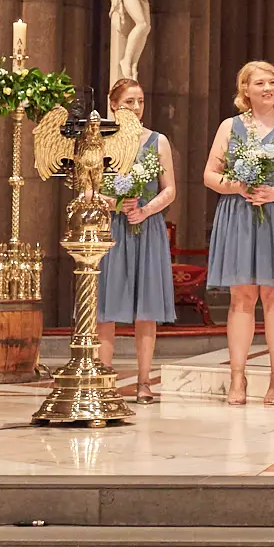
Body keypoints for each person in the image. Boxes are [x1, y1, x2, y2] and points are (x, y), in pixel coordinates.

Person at [202, 61, 274, 406]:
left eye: (271, 82)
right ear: (246, 90)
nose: (267, 88)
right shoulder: (230, 127)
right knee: (241, 297)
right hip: (240, 214)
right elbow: (210, 174)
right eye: (259, 83)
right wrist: (236, 186)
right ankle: (237, 379)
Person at [95, 78, 177, 402]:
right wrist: (116, 203)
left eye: (140, 101)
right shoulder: (101, 143)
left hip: (146, 227)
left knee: (147, 308)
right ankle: (104, 379)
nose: (136, 107)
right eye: (129, 101)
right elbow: (87, 190)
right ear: (113, 105)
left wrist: (145, 209)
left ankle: (144, 382)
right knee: (107, 307)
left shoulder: (158, 141)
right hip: (112, 228)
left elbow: (169, 189)